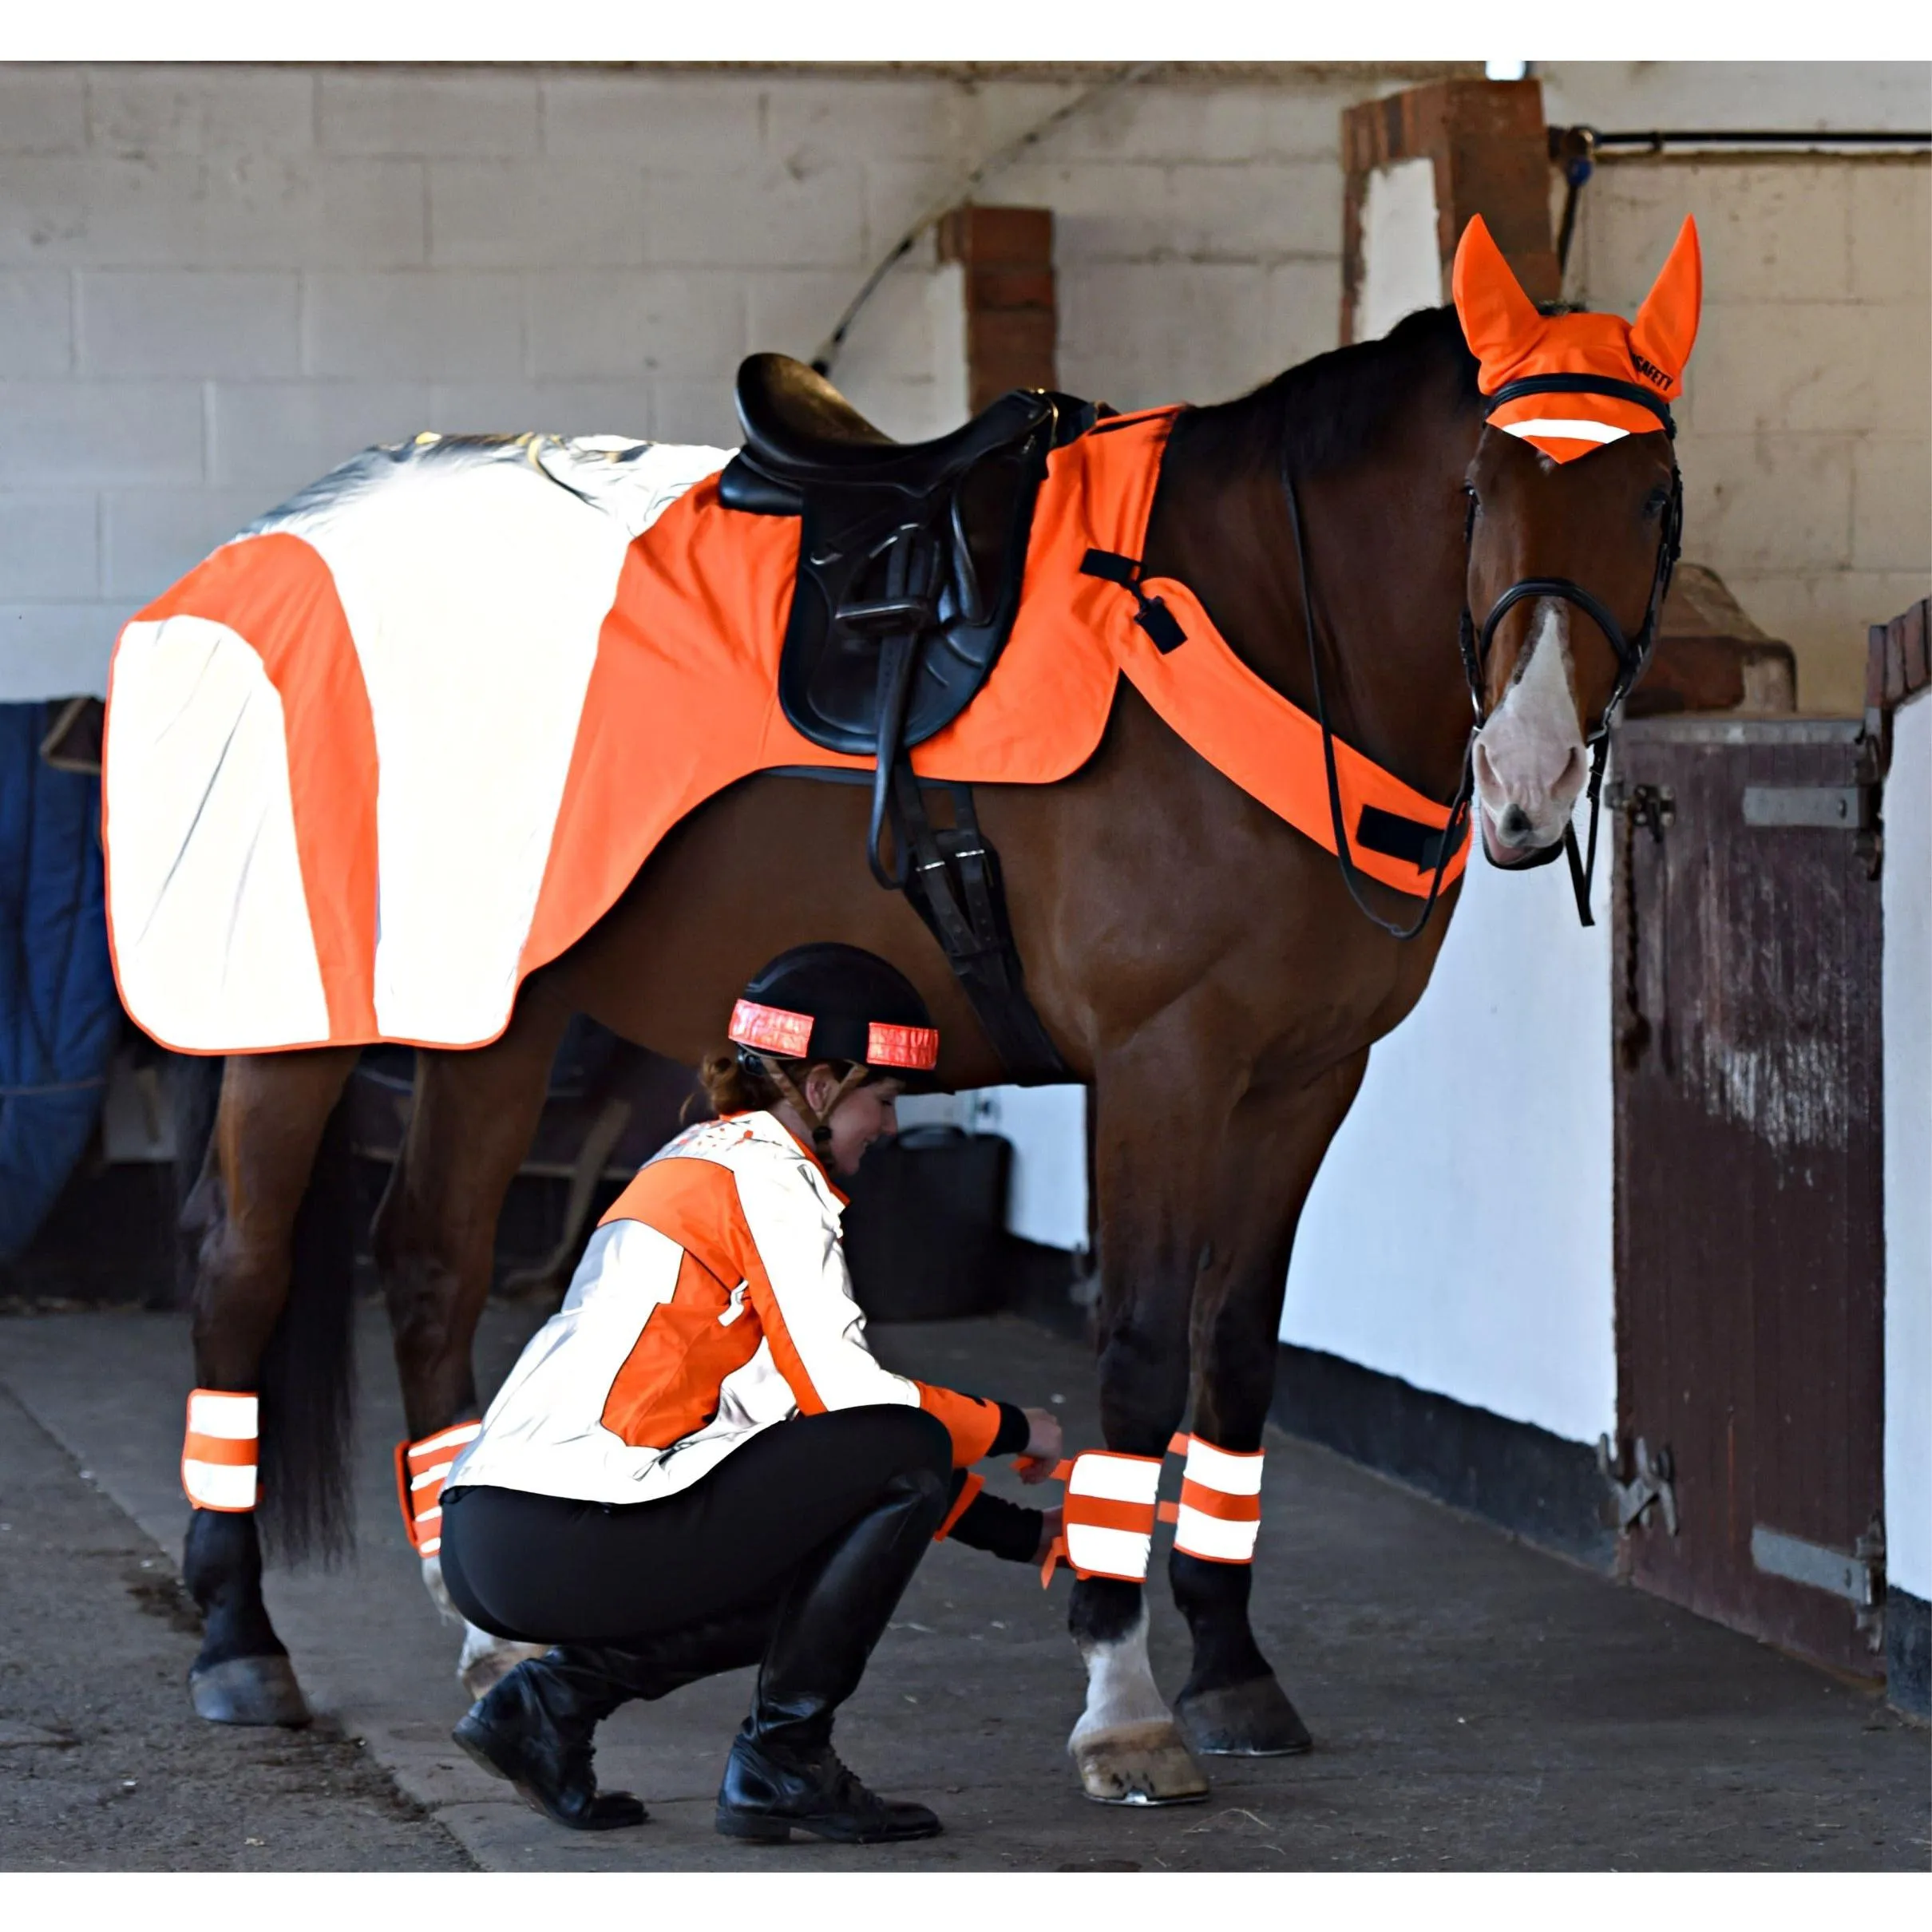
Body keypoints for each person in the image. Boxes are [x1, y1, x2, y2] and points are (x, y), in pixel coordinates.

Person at [437, 943, 1063, 1846]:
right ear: (816, 1086)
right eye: (880, 1102)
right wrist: (1012, 1424)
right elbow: (855, 1404)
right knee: (883, 1462)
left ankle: (546, 1708)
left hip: (508, 1534)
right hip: (565, 1529)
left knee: (838, 1542)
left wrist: (1017, 1533)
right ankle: (783, 1764)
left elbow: (830, 1445)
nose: (886, 1129)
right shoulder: (768, 1181)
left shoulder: (703, 1157)